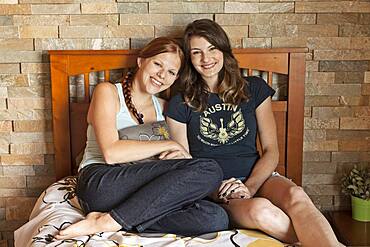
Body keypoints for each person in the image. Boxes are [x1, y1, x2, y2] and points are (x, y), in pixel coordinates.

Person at [165, 19, 343, 247]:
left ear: (223, 49)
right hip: (217, 188)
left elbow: (271, 150)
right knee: (262, 211)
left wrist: (249, 187)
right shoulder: (181, 103)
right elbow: (186, 165)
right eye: (196, 52)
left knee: (297, 195)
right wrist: (217, 190)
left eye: (212, 49)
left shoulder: (254, 88)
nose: (206, 59)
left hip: (259, 177)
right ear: (189, 58)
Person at [55, 37, 229, 240]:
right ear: (140, 61)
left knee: (215, 217)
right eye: (157, 64)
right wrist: (170, 144)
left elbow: (181, 163)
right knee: (209, 169)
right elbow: (111, 153)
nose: (162, 76)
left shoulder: (166, 108)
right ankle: (106, 222)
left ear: (175, 79)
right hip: (103, 183)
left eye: (171, 72)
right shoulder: (108, 92)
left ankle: (120, 218)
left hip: (141, 192)